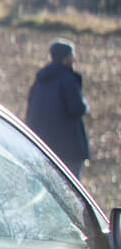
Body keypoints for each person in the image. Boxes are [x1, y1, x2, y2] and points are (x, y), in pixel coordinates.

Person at [25, 39, 90, 178]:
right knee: (71, 189)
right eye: (71, 55)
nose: (73, 59)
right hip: (68, 148)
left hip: (43, 146)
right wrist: (84, 105)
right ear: (65, 58)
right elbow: (76, 108)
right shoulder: (68, 79)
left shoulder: (40, 80)